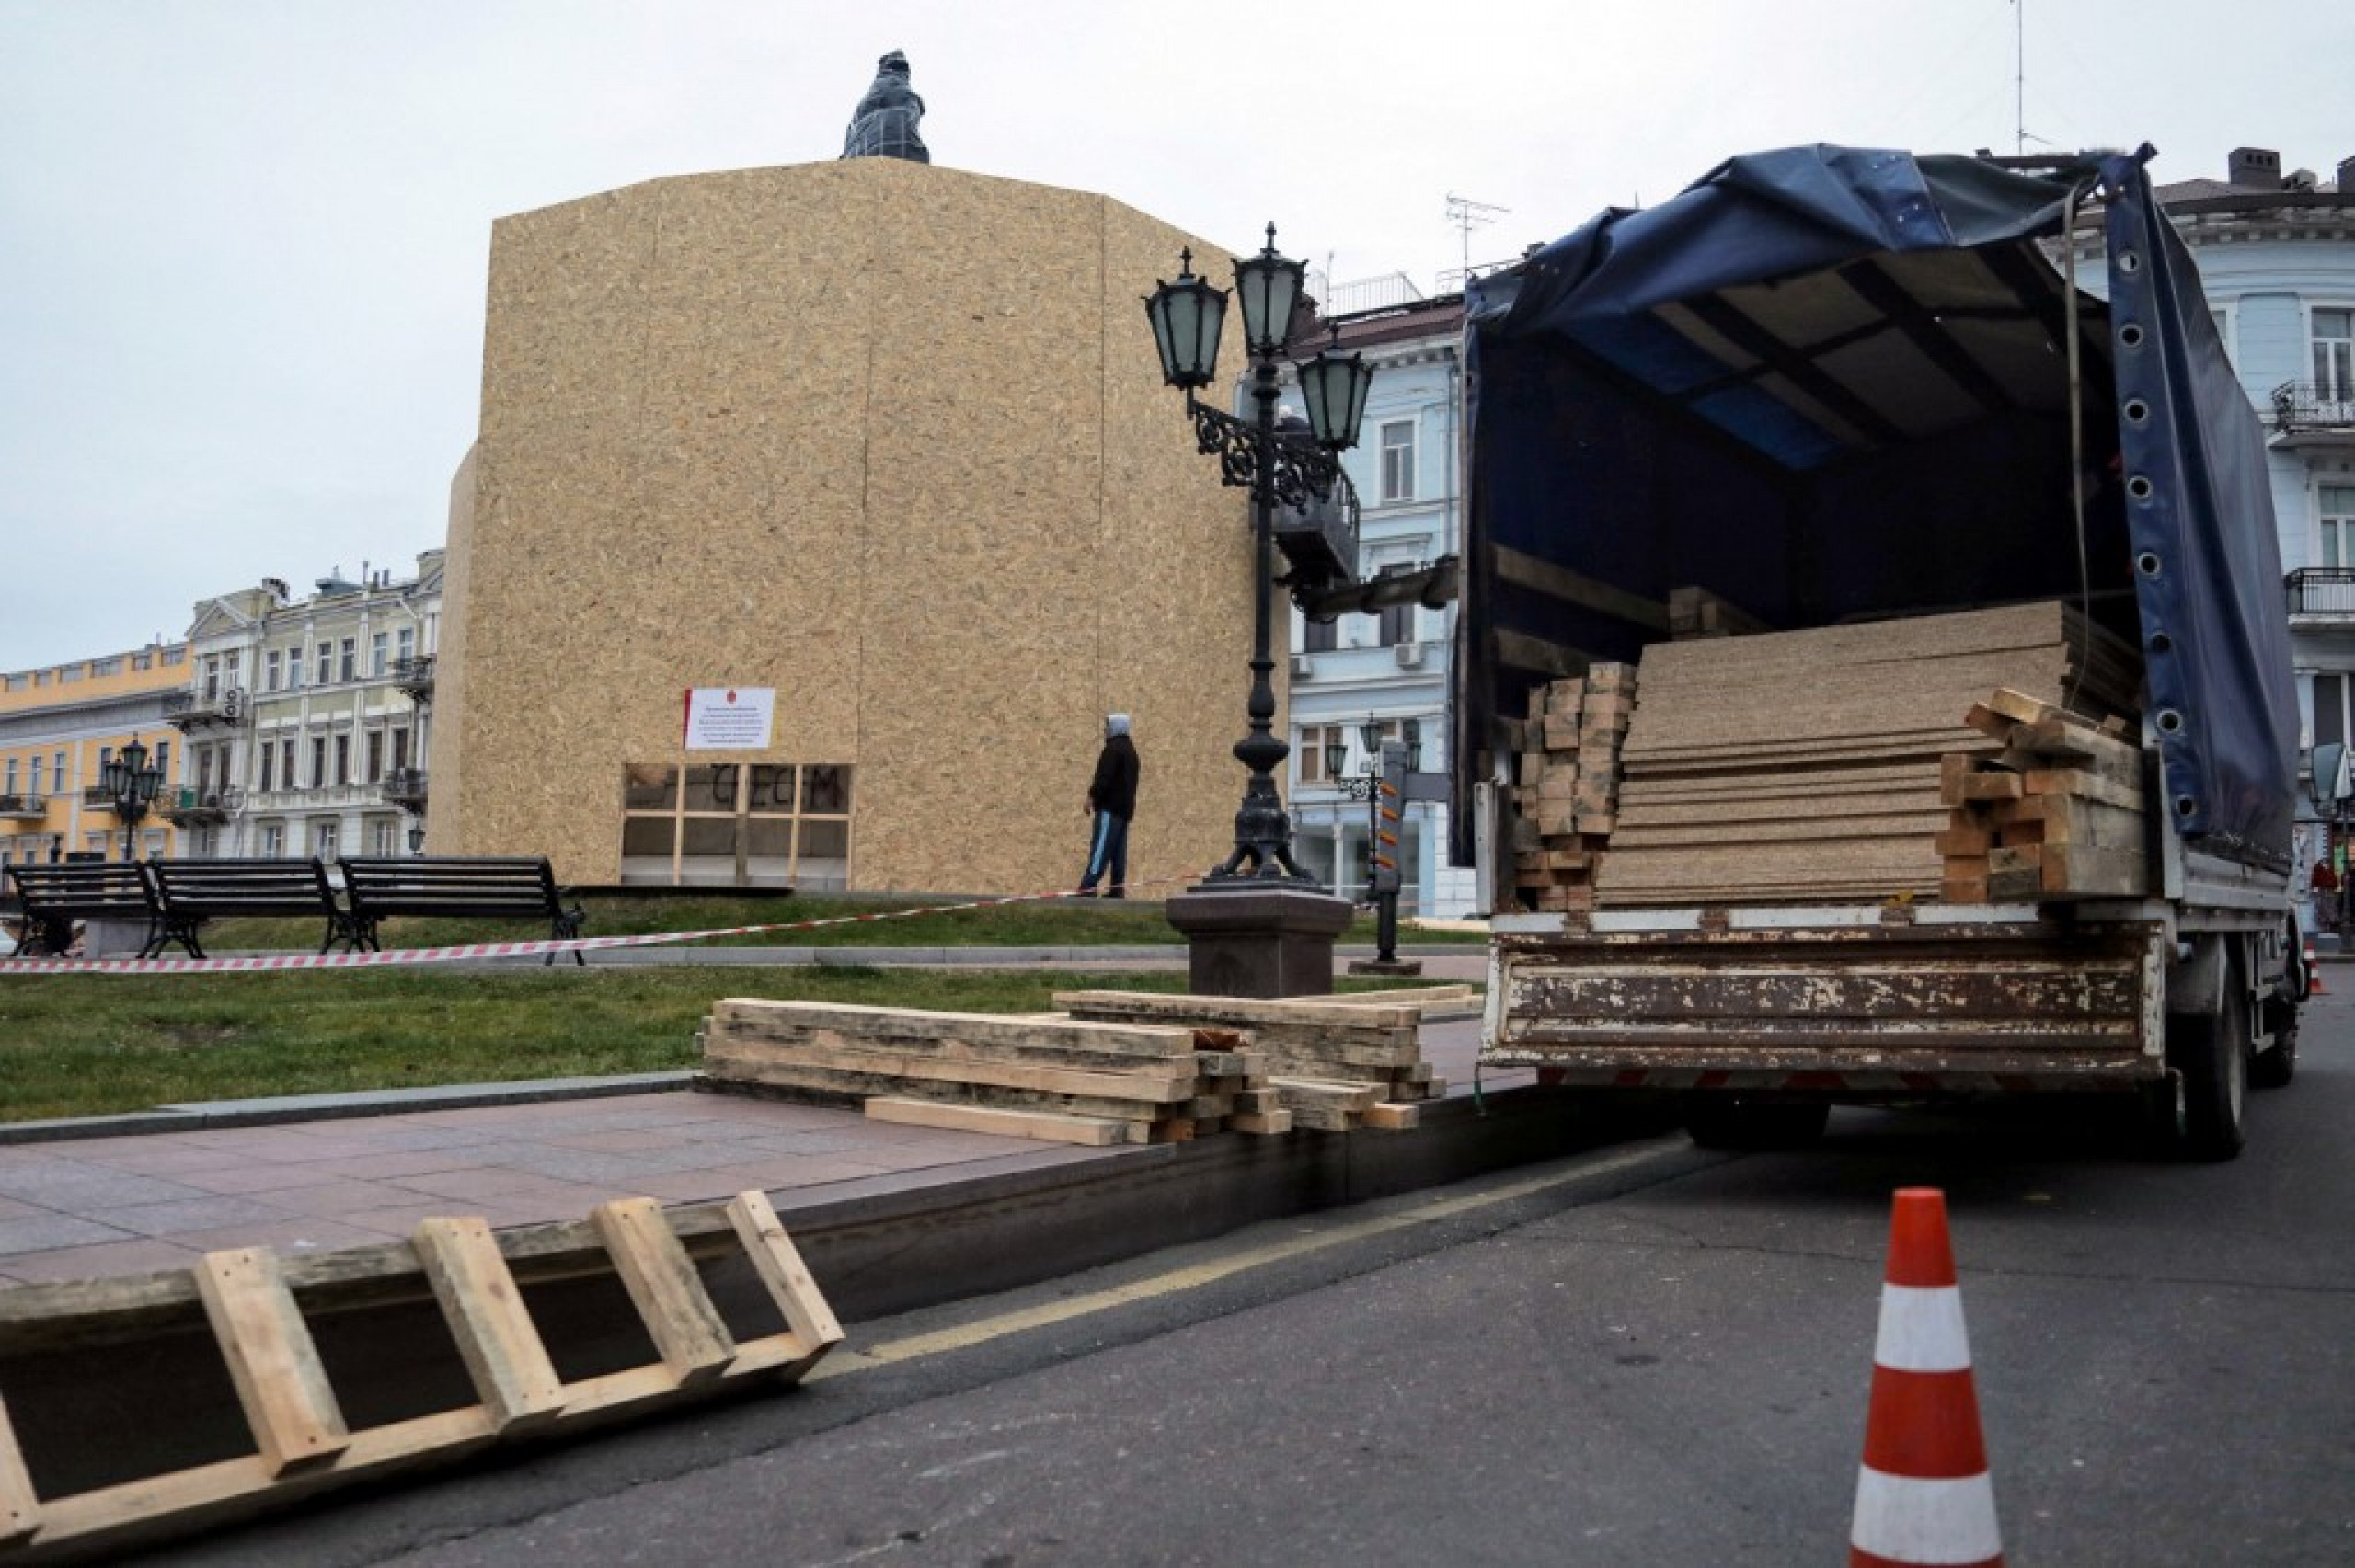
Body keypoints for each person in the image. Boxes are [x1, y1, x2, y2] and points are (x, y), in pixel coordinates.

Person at [1076, 713, 1139, 898]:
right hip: (1124, 812)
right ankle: (1117, 888)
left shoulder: (1112, 750)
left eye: (1107, 727)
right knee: (1118, 852)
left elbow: (1104, 777)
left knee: (1101, 847)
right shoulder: (1131, 752)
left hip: (1109, 809)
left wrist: (1091, 797)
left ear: (1115, 728)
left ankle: (1088, 886)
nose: (1105, 731)